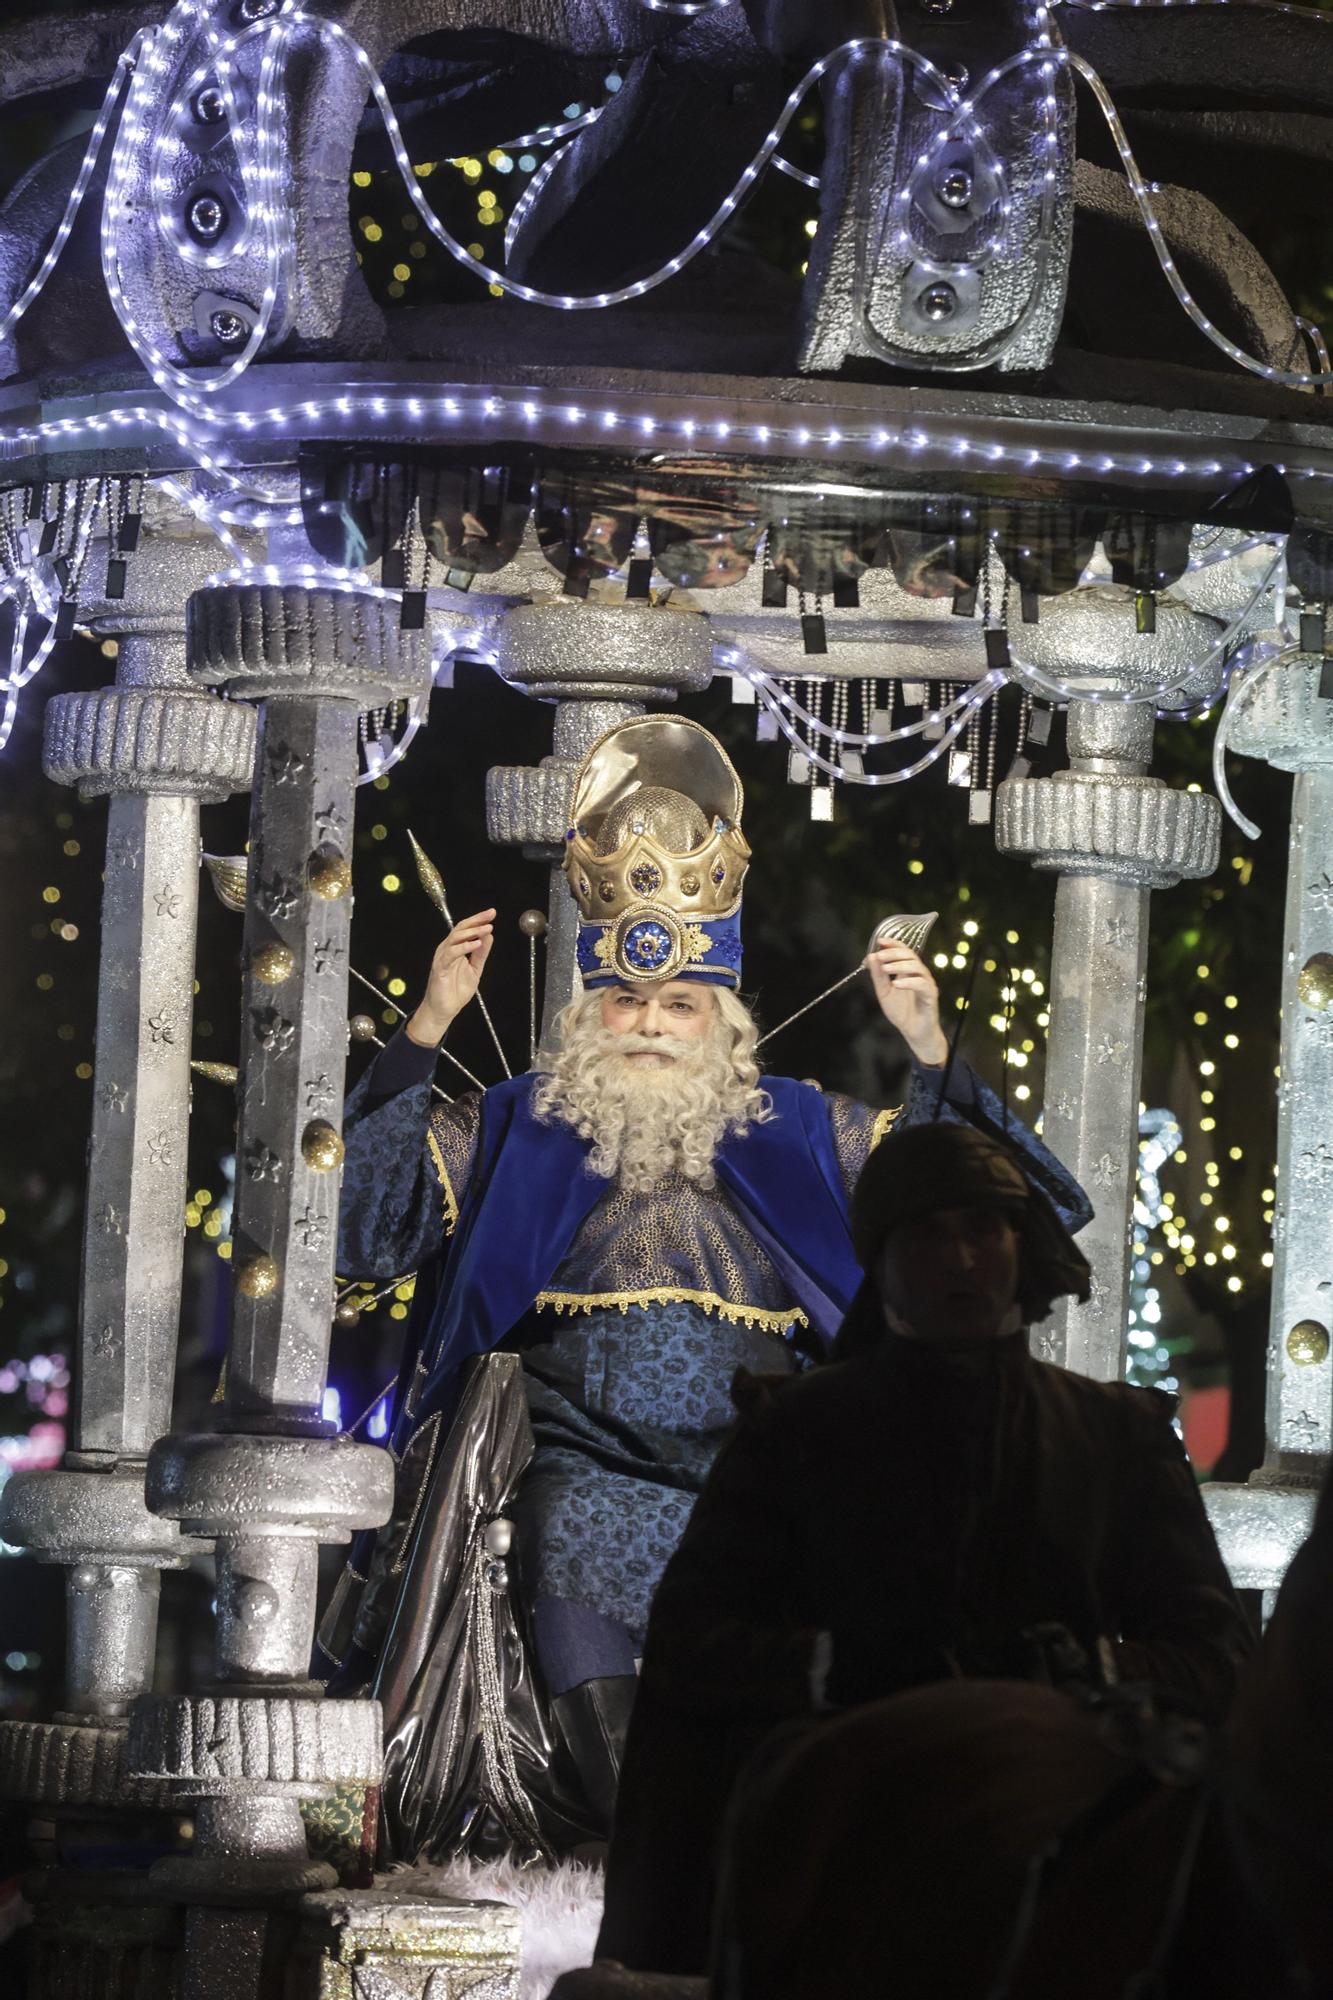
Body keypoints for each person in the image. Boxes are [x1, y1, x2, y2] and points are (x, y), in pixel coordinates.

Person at [320, 717, 1090, 1860]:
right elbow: (366, 1229)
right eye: (627, 1005)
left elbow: (1011, 1211)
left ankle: (759, 1864)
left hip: (764, 1474)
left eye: (678, 1005)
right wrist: (426, 1028)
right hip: (577, 1464)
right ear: (588, 1014)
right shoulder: (520, 1121)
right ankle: (662, 1859)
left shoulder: (805, 1127)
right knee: (570, 1538)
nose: (649, 1026)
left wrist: (931, 1052)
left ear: (720, 1023)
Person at [597, 1120, 1253, 1975]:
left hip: (1064, 1839)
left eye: (983, 1230)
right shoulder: (794, 1431)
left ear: (1019, 1249)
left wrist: (1092, 1670)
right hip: (845, 1839)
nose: (961, 1259)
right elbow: (693, 1645)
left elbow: (1217, 1659)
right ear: (883, 1258)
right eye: (928, 1234)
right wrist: (839, 1668)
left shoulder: (1115, 1438)